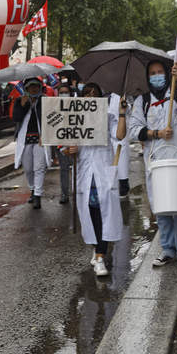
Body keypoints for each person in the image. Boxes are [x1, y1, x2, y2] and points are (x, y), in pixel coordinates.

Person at [128, 61, 177, 272]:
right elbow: (134, 130)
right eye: (153, 73)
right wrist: (156, 133)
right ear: (148, 77)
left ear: (167, 74)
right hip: (157, 163)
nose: (157, 75)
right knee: (162, 209)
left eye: (160, 72)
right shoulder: (143, 101)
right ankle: (168, 249)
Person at [63, 82, 126, 277]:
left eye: (94, 94)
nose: (90, 97)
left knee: (103, 213)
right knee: (90, 214)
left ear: (100, 98)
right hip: (85, 174)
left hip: (102, 171)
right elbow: (65, 148)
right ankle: (96, 248)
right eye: (86, 94)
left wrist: (122, 113)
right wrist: (70, 149)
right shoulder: (75, 119)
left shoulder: (107, 116)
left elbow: (120, 135)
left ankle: (100, 256)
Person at [10, 77, 51, 209]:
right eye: (31, 86)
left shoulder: (45, 100)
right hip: (25, 139)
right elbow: (16, 118)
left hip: (40, 139)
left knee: (39, 167)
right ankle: (32, 189)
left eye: (36, 86)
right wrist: (23, 105)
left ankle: (38, 195)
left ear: (40, 88)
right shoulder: (20, 100)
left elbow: (51, 119)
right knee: (28, 168)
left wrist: (46, 134)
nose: (34, 89)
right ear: (26, 88)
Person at [108, 92, 133, 198]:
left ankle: (124, 185)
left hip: (119, 132)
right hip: (105, 135)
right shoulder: (100, 96)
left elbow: (129, 110)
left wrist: (125, 105)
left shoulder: (120, 95)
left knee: (122, 163)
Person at [56, 82, 75, 204]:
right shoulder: (54, 106)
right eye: (61, 92)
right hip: (61, 143)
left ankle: (78, 192)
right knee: (64, 169)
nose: (64, 94)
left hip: (75, 143)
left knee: (77, 168)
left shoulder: (77, 105)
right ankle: (64, 194)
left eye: (66, 92)